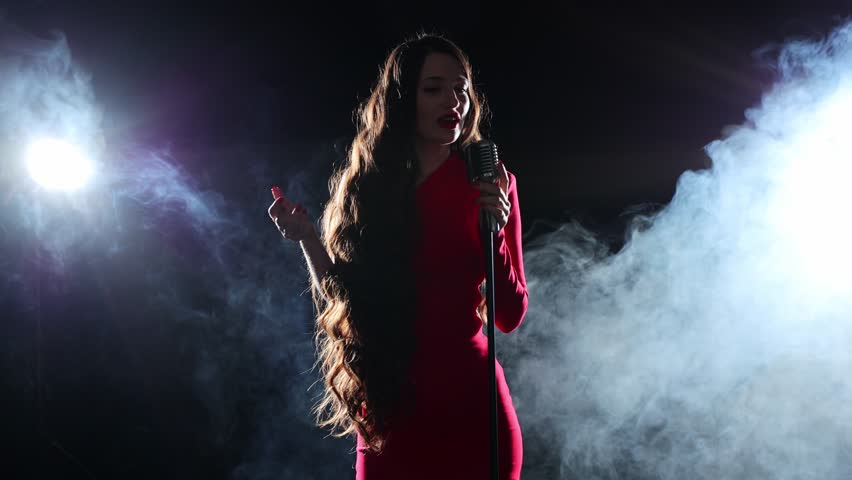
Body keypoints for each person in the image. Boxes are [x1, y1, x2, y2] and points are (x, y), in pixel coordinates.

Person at [267, 32, 528, 479]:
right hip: (391, 411)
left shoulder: (493, 182)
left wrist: (496, 228)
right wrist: (308, 237)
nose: (453, 101)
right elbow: (347, 298)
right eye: (434, 89)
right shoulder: (370, 188)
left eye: (462, 89)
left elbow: (510, 315)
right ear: (403, 99)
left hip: (473, 409)